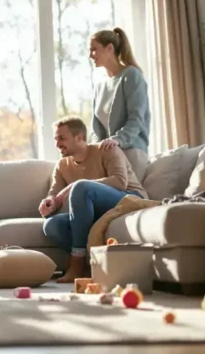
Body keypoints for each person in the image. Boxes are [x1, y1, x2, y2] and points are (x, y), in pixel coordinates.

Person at [38, 116, 148, 283]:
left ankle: (76, 263)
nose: (57, 144)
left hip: (129, 200)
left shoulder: (107, 149)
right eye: (56, 139)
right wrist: (49, 203)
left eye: (62, 138)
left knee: (81, 187)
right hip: (97, 212)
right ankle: (94, 263)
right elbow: (55, 194)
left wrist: (74, 185)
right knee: (52, 225)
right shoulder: (62, 165)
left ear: (80, 137)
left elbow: (120, 181)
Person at [89, 27, 151, 181]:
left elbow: (136, 119)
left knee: (128, 201)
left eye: (94, 50)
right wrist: (96, 150)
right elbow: (96, 126)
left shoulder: (131, 75)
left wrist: (117, 140)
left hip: (131, 151)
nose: (90, 55)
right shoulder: (100, 84)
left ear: (109, 48)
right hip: (109, 156)